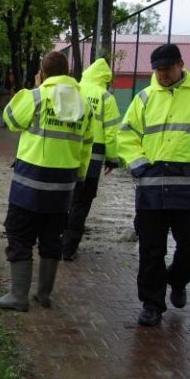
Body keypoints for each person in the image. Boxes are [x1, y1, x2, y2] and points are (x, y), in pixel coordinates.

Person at [0, 51, 94, 311]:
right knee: (51, 237)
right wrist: (80, 177)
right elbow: (86, 145)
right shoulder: (84, 105)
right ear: (68, 73)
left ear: (43, 73)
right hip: (64, 185)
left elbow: (10, 119)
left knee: (19, 234)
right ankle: (44, 294)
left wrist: (32, 89)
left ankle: (18, 296)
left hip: (30, 183)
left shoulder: (35, 96)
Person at [117, 43, 190, 327]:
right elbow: (126, 134)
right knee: (151, 250)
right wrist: (138, 164)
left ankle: (178, 279)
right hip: (152, 187)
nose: (162, 74)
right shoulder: (145, 98)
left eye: (167, 68)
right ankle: (152, 305)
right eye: (158, 70)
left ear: (181, 64)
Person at [61, 58, 121, 260]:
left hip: (68, 151)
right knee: (82, 202)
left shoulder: (74, 89)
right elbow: (111, 132)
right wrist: (112, 159)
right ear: (105, 79)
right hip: (93, 158)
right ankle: (69, 248)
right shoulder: (106, 97)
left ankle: (54, 239)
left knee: (64, 197)